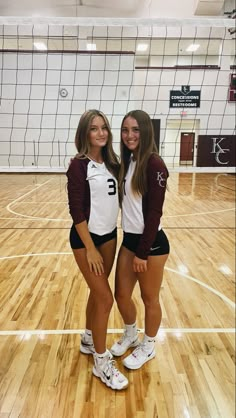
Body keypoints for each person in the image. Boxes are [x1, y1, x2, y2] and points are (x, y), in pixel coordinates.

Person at [66, 109, 128, 390]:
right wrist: (89, 248)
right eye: (94, 128)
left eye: (104, 127)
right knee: (105, 299)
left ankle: (89, 338)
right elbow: (76, 211)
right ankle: (101, 363)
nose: (101, 132)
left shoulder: (114, 163)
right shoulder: (78, 165)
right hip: (86, 239)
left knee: (97, 291)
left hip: (109, 236)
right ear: (85, 133)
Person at [110, 109, 170, 370]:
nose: (129, 135)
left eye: (135, 130)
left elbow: (155, 213)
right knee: (121, 295)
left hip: (152, 244)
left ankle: (149, 345)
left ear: (145, 131)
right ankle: (131, 334)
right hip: (130, 240)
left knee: (149, 298)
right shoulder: (128, 161)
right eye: (125, 130)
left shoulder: (154, 164)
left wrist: (143, 253)